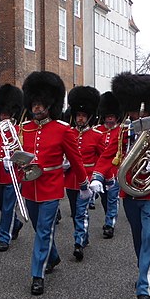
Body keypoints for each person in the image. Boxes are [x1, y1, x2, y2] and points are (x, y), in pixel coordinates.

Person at [90, 73, 150, 299]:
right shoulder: (123, 133)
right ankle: (146, 272)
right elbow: (107, 156)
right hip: (129, 193)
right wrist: (97, 177)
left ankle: (143, 290)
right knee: (139, 240)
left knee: (148, 238)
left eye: (136, 110)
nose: (133, 115)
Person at [20, 71, 89, 296]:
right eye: (34, 103)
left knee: (43, 230)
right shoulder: (25, 129)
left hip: (51, 186)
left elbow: (76, 159)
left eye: (41, 104)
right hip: (29, 186)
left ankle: (37, 275)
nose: (37, 108)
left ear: (50, 104)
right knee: (38, 228)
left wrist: (84, 183)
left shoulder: (63, 130)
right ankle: (53, 256)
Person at [63, 85, 101, 261]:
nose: (80, 118)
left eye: (83, 116)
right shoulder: (68, 133)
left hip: (87, 178)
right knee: (74, 211)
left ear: (89, 118)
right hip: (70, 178)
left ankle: (78, 243)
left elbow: (103, 158)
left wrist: (99, 178)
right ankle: (83, 236)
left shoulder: (96, 136)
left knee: (80, 212)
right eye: (78, 115)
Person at [0, 83, 25, 252]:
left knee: (8, 207)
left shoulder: (20, 131)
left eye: (7, 113)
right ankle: (15, 223)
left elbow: (25, 152)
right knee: (1, 203)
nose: (3, 116)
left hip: (13, 174)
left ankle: (4, 237)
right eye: (2, 113)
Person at [92, 92, 123, 238]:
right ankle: (108, 216)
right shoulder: (97, 130)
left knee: (112, 197)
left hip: (115, 170)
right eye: (107, 115)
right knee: (105, 199)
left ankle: (110, 223)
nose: (110, 118)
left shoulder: (122, 131)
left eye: (112, 115)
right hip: (100, 170)